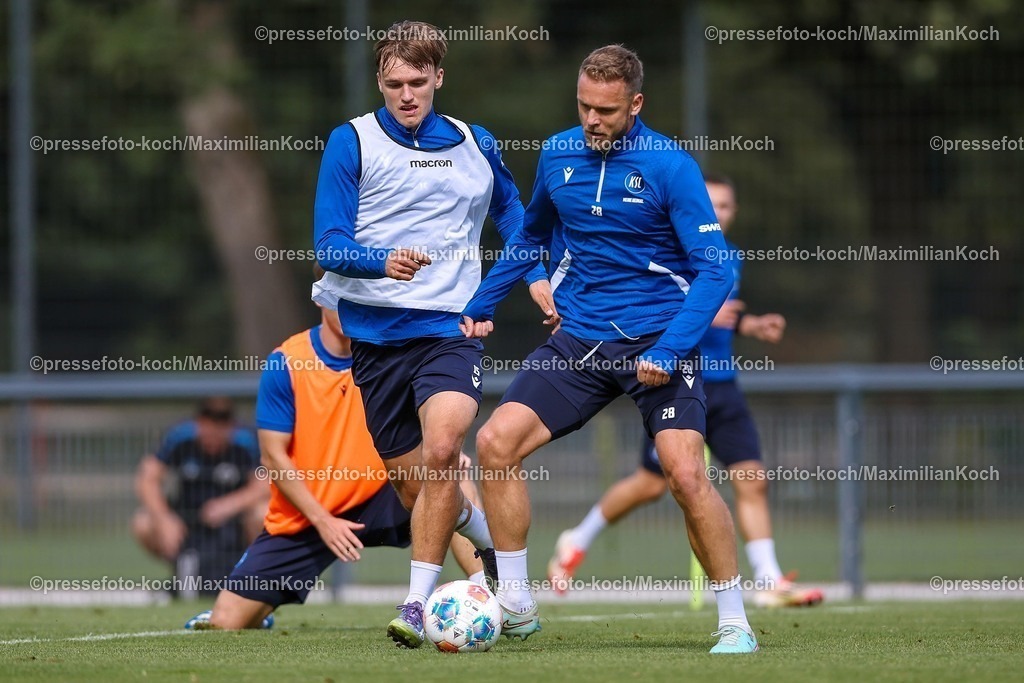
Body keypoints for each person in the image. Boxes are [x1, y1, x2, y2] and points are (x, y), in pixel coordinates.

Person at [461, 45, 759, 653]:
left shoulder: (670, 165)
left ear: (635, 104)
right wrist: (483, 301)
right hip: (580, 340)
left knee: (683, 474)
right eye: (584, 106)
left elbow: (715, 271)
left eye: (606, 109)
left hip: (658, 339)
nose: (592, 120)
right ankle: (516, 600)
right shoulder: (557, 153)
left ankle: (734, 620)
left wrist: (672, 348)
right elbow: (531, 236)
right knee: (494, 443)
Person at [310, 20, 554, 647]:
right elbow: (328, 243)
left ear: (439, 77)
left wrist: (534, 276)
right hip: (374, 339)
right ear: (380, 83)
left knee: (445, 450)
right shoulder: (352, 142)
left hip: (451, 328)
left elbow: (515, 216)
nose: (407, 94)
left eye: (418, 81)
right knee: (417, 485)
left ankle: (418, 604)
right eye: (394, 83)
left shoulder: (476, 142)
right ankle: (482, 540)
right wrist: (379, 259)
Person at [547, 174, 824, 608]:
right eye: (710, 203)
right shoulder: (671, 249)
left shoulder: (731, 258)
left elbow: (723, 316)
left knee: (752, 478)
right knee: (652, 485)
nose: (717, 213)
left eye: (727, 206)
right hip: (675, 382)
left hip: (723, 385)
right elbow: (665, 304)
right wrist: (698, 315)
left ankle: (769, 581)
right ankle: (576, 540)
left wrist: (751, 324)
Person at [185, 285, 488, 630]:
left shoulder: (396, 349)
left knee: (451, 480)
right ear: (321, 296)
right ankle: (259, 611)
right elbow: (273, 458)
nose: (356, 306)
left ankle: (486, 593)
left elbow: (433, 416)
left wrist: (444, 454)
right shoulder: (287, 361)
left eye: (363, 296)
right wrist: (323, 521)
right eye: (347, 296)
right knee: (226, 622)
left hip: (384, 493)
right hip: (310, 513)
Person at [133, 397, 267, 597]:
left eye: (219, 431)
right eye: (208, 430)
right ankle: (182, 571)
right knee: (143, 522)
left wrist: (229, 505)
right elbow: (147, 478)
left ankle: (254, 578)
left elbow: (267, 484)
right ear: (198, 424)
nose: (212, 438)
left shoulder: (246, 441)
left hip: (235, 523)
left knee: (264, 514)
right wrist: (164, 519)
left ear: (230, 427)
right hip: (186, 519)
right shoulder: (180, 437)